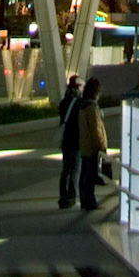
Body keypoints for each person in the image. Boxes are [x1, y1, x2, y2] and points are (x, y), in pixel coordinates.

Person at [77, 76, 108, 211]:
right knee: (89, 175)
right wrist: (102, 145)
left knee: (85, 174)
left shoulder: (82, 105)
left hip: (84, 145)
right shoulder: (92, 108)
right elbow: (96, 130)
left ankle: (85, 200)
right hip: (91, 147)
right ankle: (90, 202)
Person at [57, 73, 82, 208]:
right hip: (76, 140)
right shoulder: (78, 103)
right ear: (78, 87)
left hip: (65, 140)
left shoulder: (63, 102)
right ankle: (72, 196)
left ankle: (63, 195)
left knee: (66, 168)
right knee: (75, 168)